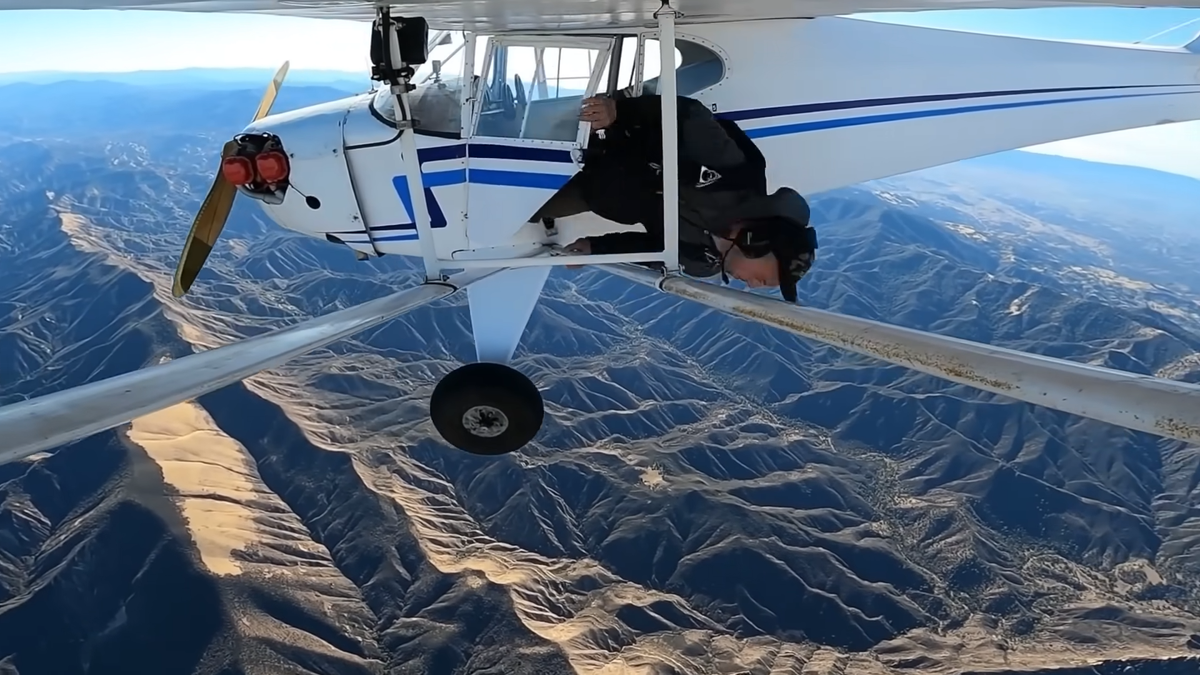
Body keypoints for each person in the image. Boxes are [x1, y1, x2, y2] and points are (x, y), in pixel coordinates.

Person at [534, 91, 818, 302]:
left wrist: (594, 249)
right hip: (601, 141)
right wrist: (619, 112)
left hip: (593, 192)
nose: (753, 285)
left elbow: (648, 249)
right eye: (764, 277)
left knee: (526, 211)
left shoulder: (701, 264)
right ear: (757, 244)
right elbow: (689, 114)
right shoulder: (734, 176)